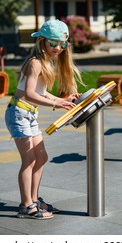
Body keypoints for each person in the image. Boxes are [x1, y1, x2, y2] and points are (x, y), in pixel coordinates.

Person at [5, 19, 84, 220]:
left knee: (41, 157)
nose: (58, 48)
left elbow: (43, 93)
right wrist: (57, 104)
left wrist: (63, 100)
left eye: (62, 44)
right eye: (53, 43)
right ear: (42, 41)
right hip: (19, 113)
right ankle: (26, 206)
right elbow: (30, 94)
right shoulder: (35, 63)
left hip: (29, 114)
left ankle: (34, 199)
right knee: (29, 160)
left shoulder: (45, 62)